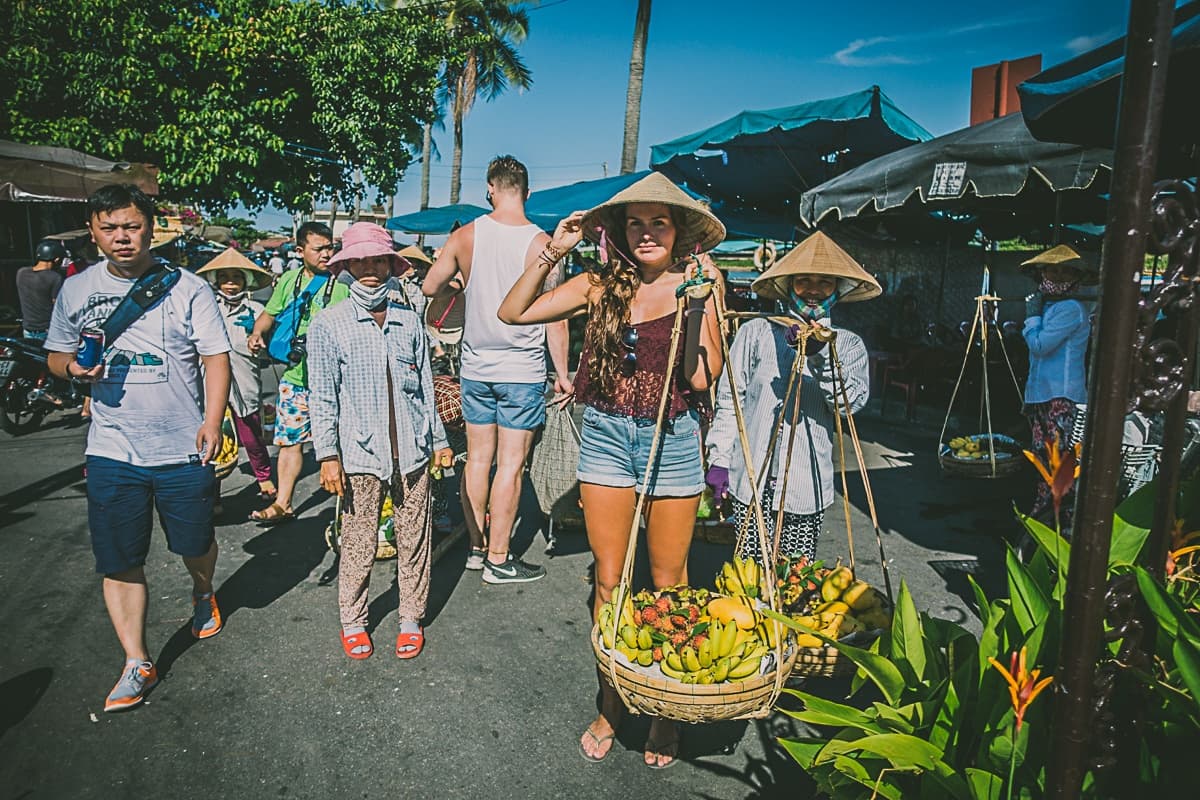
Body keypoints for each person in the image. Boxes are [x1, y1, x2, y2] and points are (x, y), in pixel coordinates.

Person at [497, 171, 725, 768]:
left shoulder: (701, 281)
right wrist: (554, 250)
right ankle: (613, 701)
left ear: (679, 232)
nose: (647, 232)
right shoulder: (598, 284)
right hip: (604, 435)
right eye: (636, 222)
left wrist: (699, 306)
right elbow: (513, 311)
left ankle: (667, 710)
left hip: (673, 438)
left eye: (660, 222)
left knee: (669, 580)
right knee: (609, 579)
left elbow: (701, 379)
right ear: (620, 231)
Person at [43, 184, 231, 712]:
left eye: (131, 226)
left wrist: (212, 422)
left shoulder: (187, 288)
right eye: (109, 228)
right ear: (93, 232)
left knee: (194, 544)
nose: (121, 237)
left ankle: (202, 589)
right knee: (119, 559)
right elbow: (55, 355)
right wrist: (73, 368)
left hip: (181, 446)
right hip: (111, 447)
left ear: (151, 227)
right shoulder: (76, 290)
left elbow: (216, 357)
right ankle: (136, 661)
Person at [308, 222, 453, 660]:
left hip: (412, 451)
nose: (370, 268)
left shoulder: (410, 322)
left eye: (378, 260)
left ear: (393, 265)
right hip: (358, 454)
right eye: (360, 260)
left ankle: (411, 616)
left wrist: (440, 440)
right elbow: (322, 395)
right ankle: (353, 619)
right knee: (359, 539)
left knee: (415, 536)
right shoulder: (329, 324)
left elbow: (425, 385)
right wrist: (328, 455)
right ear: (347, 266)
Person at [423, 155, 571, 584]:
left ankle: (475, 547)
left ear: (490, 188)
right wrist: (562, 373)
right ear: (526, 191)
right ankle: (499, 558)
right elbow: (555, 317)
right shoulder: (543, 243)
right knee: (510, 466)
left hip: (475, 365)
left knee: (477, 460)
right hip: (521, 369)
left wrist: (462, 282)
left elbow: (431, 286)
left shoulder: (465, 235)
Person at [706, 232, 877, 565]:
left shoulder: (847, 345)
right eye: (803, 281)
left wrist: (820, 356)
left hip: (804, 488)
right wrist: (720, 458)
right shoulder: (754, 332)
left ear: (837, 289)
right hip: (750, 480)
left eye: (824, 282)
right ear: (787, 286)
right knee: (749, 580)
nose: (813, 290)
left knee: (795, 580)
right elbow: (732, 399)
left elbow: (849, 404)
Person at [246, 222, 349, 523]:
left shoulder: (342, 283)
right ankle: (283, 503)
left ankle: (349, 510)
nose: (327, 254)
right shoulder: (289, 280)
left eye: (330, 247)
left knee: (342, 445)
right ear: (300, 250)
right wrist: (257, 334)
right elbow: (269, 314)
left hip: (334, 382)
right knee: (290, 443)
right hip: (295, 378)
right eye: (319, 249)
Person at [196, 248, 278, 510]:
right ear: (216, 281)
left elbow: (268, 345)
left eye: (236, 278)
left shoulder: (257, 309)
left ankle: (263, 475)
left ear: (246, 282)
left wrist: (258, 340)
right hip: (209, 381)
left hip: (245, 379)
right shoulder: (205, 307)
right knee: (213, 437)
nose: (231, 284)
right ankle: (214, 493)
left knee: (250, 433)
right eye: (225, 278)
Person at [1020, 245, 1094, 525]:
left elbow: (1040, 345)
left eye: (1065, 272)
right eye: (1053, 270)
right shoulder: (1050, 308)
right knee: (1043, 460)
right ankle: (1043, 516)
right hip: (1042, 395)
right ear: (1041, 274)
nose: (1058, 276)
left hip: (1060, 398)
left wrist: (1031, 317)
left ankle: (1058, 518)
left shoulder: (1071, 309)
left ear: (1075, 278)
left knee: (1059, 464)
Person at [16, 239, 66, 340]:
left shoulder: (21, 273)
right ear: (56, 259)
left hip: (27, 329)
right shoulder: (55, 277)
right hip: (47, 331)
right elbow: (57, 306)